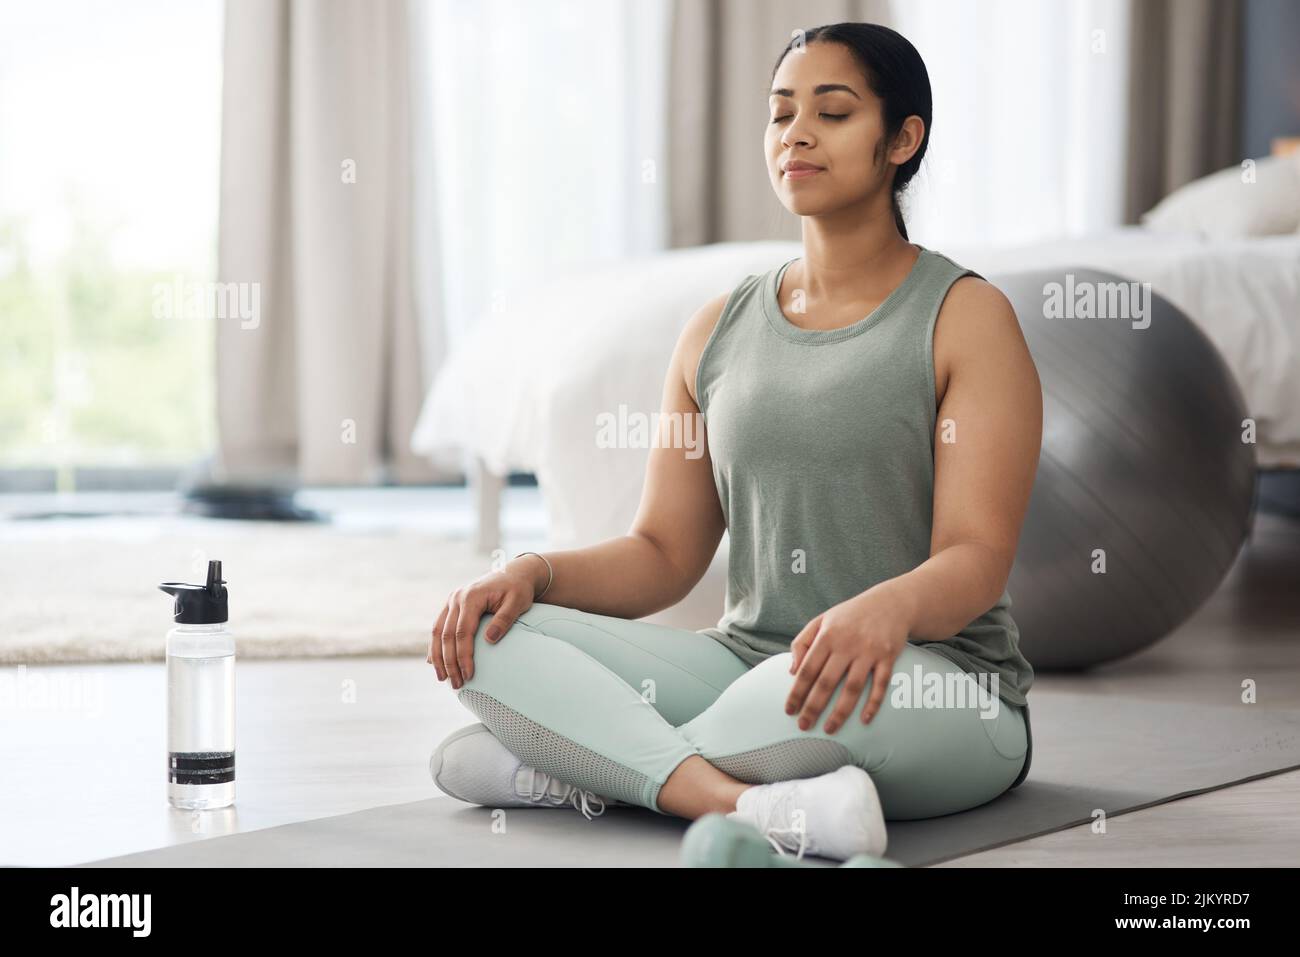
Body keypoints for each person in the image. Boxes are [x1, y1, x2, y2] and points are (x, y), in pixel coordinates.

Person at [426, 21, 1040, 865]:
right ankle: (739, 800)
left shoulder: (969, 318)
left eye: (832, 111)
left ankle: (573, 762)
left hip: (932, 682)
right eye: (782, 112)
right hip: (746, 662)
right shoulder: (713, 331)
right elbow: (662, 551)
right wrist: (536, 573)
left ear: (903, 139)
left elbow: (978, 555)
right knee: (492, 643)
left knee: (767, 698)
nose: (796, 133)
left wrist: (886, 607)